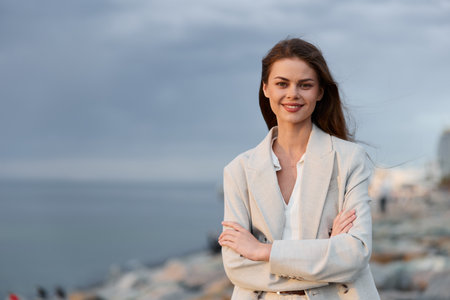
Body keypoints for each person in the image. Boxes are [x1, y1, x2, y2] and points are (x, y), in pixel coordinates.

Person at [218, 38, 380, 299]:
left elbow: (354, 255)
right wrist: (327, 253)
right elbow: (237, 267)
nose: (293, 93)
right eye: (282, 83)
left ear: (320, 92)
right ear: (266, 88)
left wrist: (263, 251)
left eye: (305, 85)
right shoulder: (238, 170)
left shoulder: (349, 159)